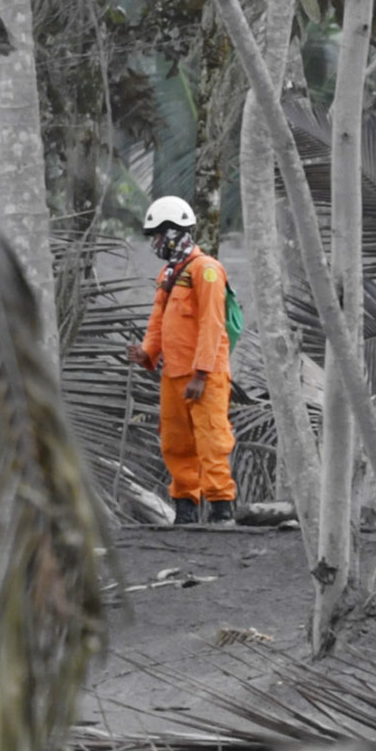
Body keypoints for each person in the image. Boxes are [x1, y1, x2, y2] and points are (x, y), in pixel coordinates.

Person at [130, 194, 236, 523]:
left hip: (205, 376)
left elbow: (212, 325)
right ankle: (185, 511)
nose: (156, 244)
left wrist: (201, 375)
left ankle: (221, 510)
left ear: (175, 232)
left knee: (211, 440)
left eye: (160, 236)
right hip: (173, 375)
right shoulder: (169, 274)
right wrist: (147, 353)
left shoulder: (206, 271)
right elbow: (158, 321)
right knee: (176, 443)